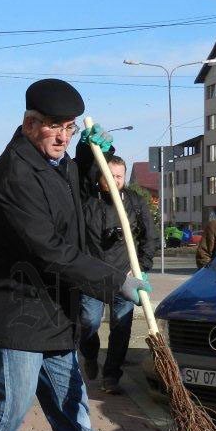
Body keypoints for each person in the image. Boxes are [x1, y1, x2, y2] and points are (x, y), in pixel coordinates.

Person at [0, 78, 151, 431]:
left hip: (53, 310)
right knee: (13, 402)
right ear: (29, 123)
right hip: (15, 308)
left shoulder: (55, 162)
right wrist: (113, 281)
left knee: (72, 402)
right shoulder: (14, 176)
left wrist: (90, 155)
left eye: (69, 128)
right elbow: (51, 249)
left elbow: (77, 191)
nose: (62, 136)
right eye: (53, 127)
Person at [78, 155, 157, 394]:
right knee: (88, 322)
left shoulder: (134, 202)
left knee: (121, 328)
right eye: (109, 176)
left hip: (125, 276)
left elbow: (148, 237)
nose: (114, 180)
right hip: (93, 276)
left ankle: (111, 376)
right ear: (100, 176)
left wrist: (141, 266)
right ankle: (90, 354)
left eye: (119, 176)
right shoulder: (88, 201)